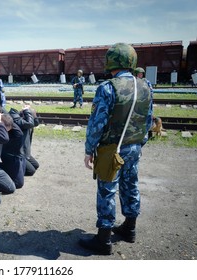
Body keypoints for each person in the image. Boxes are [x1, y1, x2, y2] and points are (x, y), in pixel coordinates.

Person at [80, 43, 153, 255]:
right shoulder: (146, 85)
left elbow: (97, 123)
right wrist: (139, 143)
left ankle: (103, 240)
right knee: (131, 184)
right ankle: (129, 229)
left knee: (107, 190)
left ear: (112, 61)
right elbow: (148, 121)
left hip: (112, 149)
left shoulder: (108, 87)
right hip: (134, 147)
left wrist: (89, 149)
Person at [8, 105, 40, 176]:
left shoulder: (26, 120)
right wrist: (27, 111)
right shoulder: (17, 120)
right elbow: (29, 123)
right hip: (17, 153)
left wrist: (32, 113)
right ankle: (7, 167)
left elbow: (36, 123)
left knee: (36, 165)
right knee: (31, 171)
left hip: (24, 152)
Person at [0, 121, 25, 189]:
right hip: (9, 156)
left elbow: (20, 134)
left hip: (16, 156)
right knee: (18, 184)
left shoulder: (16, 134)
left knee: (30, 170)